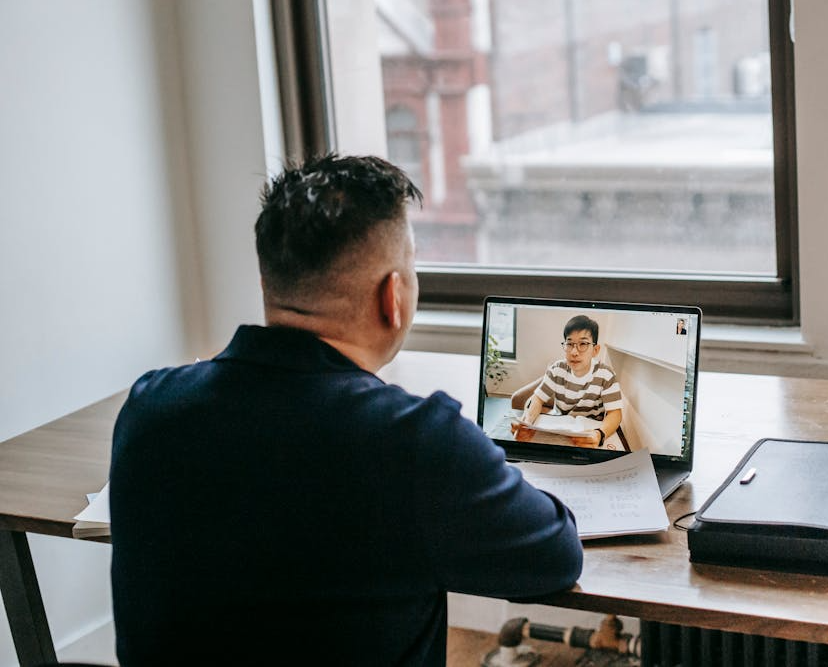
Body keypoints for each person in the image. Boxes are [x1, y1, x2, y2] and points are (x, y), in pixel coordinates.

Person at [109, 154, 582, 666]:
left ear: (269, 284)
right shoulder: (419, 442)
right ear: (393, 297)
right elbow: (556, 555)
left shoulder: (150, 407)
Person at [513, 315, 624, 449]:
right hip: (557, 430)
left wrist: (600, 434)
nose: (574, 352)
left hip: (589, 435)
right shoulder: (556, 369)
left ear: (595, 350)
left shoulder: (606, 374)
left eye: (583, 344)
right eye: (569, 344)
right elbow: (537, 399)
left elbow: (615, 413)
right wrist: (527, 422)